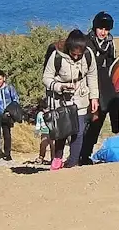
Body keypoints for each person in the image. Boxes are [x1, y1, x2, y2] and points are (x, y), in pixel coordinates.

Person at [42, 29, 99, 171]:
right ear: (69, 48)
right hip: (61, 100)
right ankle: (57, 158)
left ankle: (73, 163)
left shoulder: (88, 55)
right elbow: (46, 78)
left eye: (79, 55)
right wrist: (60, 87)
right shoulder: (57, 56)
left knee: (78, 131)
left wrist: (94, 98)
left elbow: (92, 76)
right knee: (63, 131)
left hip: (80, 97)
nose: (76, 57)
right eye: (74, 54)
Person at [79, 11, 119, 165]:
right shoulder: (86, 42)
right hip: (87, 85)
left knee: (99, 121)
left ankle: (86, 154)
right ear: (95, 27)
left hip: (103, 85)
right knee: (88, 121)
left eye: (106, 29)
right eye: (101, 28)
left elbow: (112, 64)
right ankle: (79, 154)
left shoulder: (109, 43)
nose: (104, 32)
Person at [34, 98, 54, 165]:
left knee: (53, 146)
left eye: (47, 108)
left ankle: (53, 159)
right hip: (44, 132)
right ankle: (41, 157)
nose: (46, 110)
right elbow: (38, 123)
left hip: (52, 132)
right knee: (43, 145)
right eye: (44, 108)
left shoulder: (53, 113)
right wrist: (37, 131)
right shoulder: (40, 114)